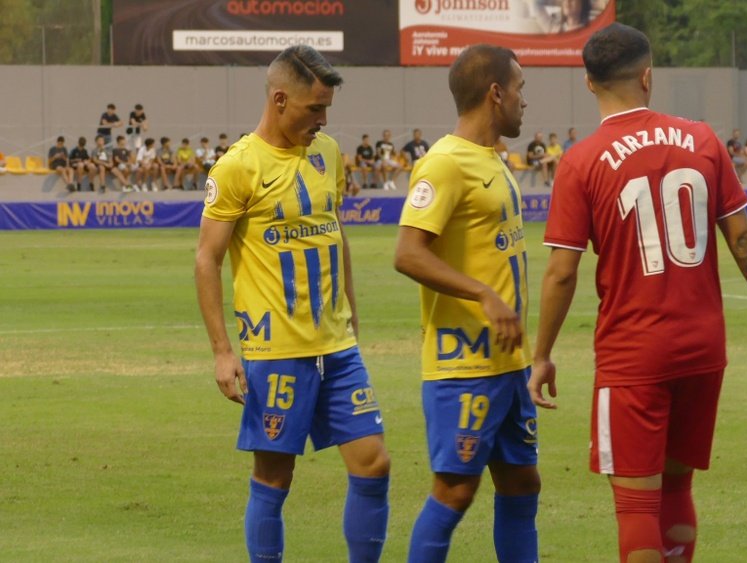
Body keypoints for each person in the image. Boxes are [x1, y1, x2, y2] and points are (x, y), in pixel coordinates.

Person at [527, 23, 747, 563]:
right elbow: (741, 234)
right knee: (677, 491)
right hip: (703, 349)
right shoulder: (701, 139)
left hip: (635, 353)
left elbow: (562, 272)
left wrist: (542, 355)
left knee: (635, 507)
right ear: (648, 76)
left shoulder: (580, 161)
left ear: (589, 84)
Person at [194, 44, 390, 563]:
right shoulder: (238, 167)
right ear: (280, 99)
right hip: (276, 351)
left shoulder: (326, 152)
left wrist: (351, 306)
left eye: (327, 108)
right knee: (275, 476)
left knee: (374, 463)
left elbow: (335, 230)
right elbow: (206, 259)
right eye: (314, 108)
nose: (323, 119)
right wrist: (222, 351)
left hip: (339, 346)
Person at [394, 44, 539, 563]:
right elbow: (408, 253)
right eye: (520, 88)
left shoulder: (492, 159)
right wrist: (484, 294)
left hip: (506, 363)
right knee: (455, 489)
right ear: (495, 93)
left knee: (523, 482)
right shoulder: (445, 163)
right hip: (464, 366)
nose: (526, 100)